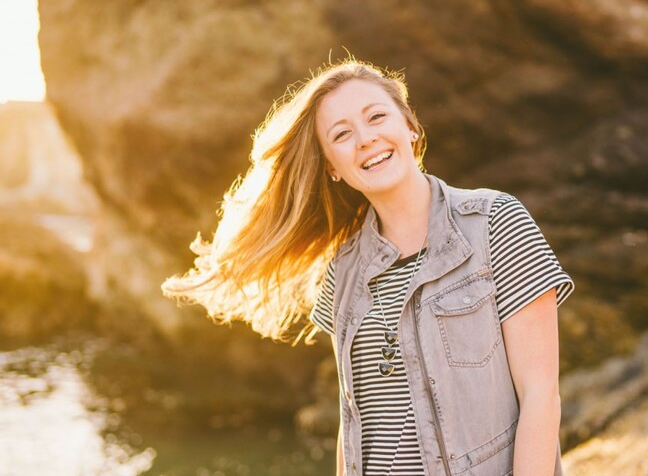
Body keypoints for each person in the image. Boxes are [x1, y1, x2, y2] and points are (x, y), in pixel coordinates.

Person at [162, 59, 575, 476]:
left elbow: (540, 394)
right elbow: (352, 421)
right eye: (341, 134)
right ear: (331, 167)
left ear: (410, 127)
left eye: (376, 117)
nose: (365, 139)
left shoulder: (495, 222)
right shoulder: (343, 270)